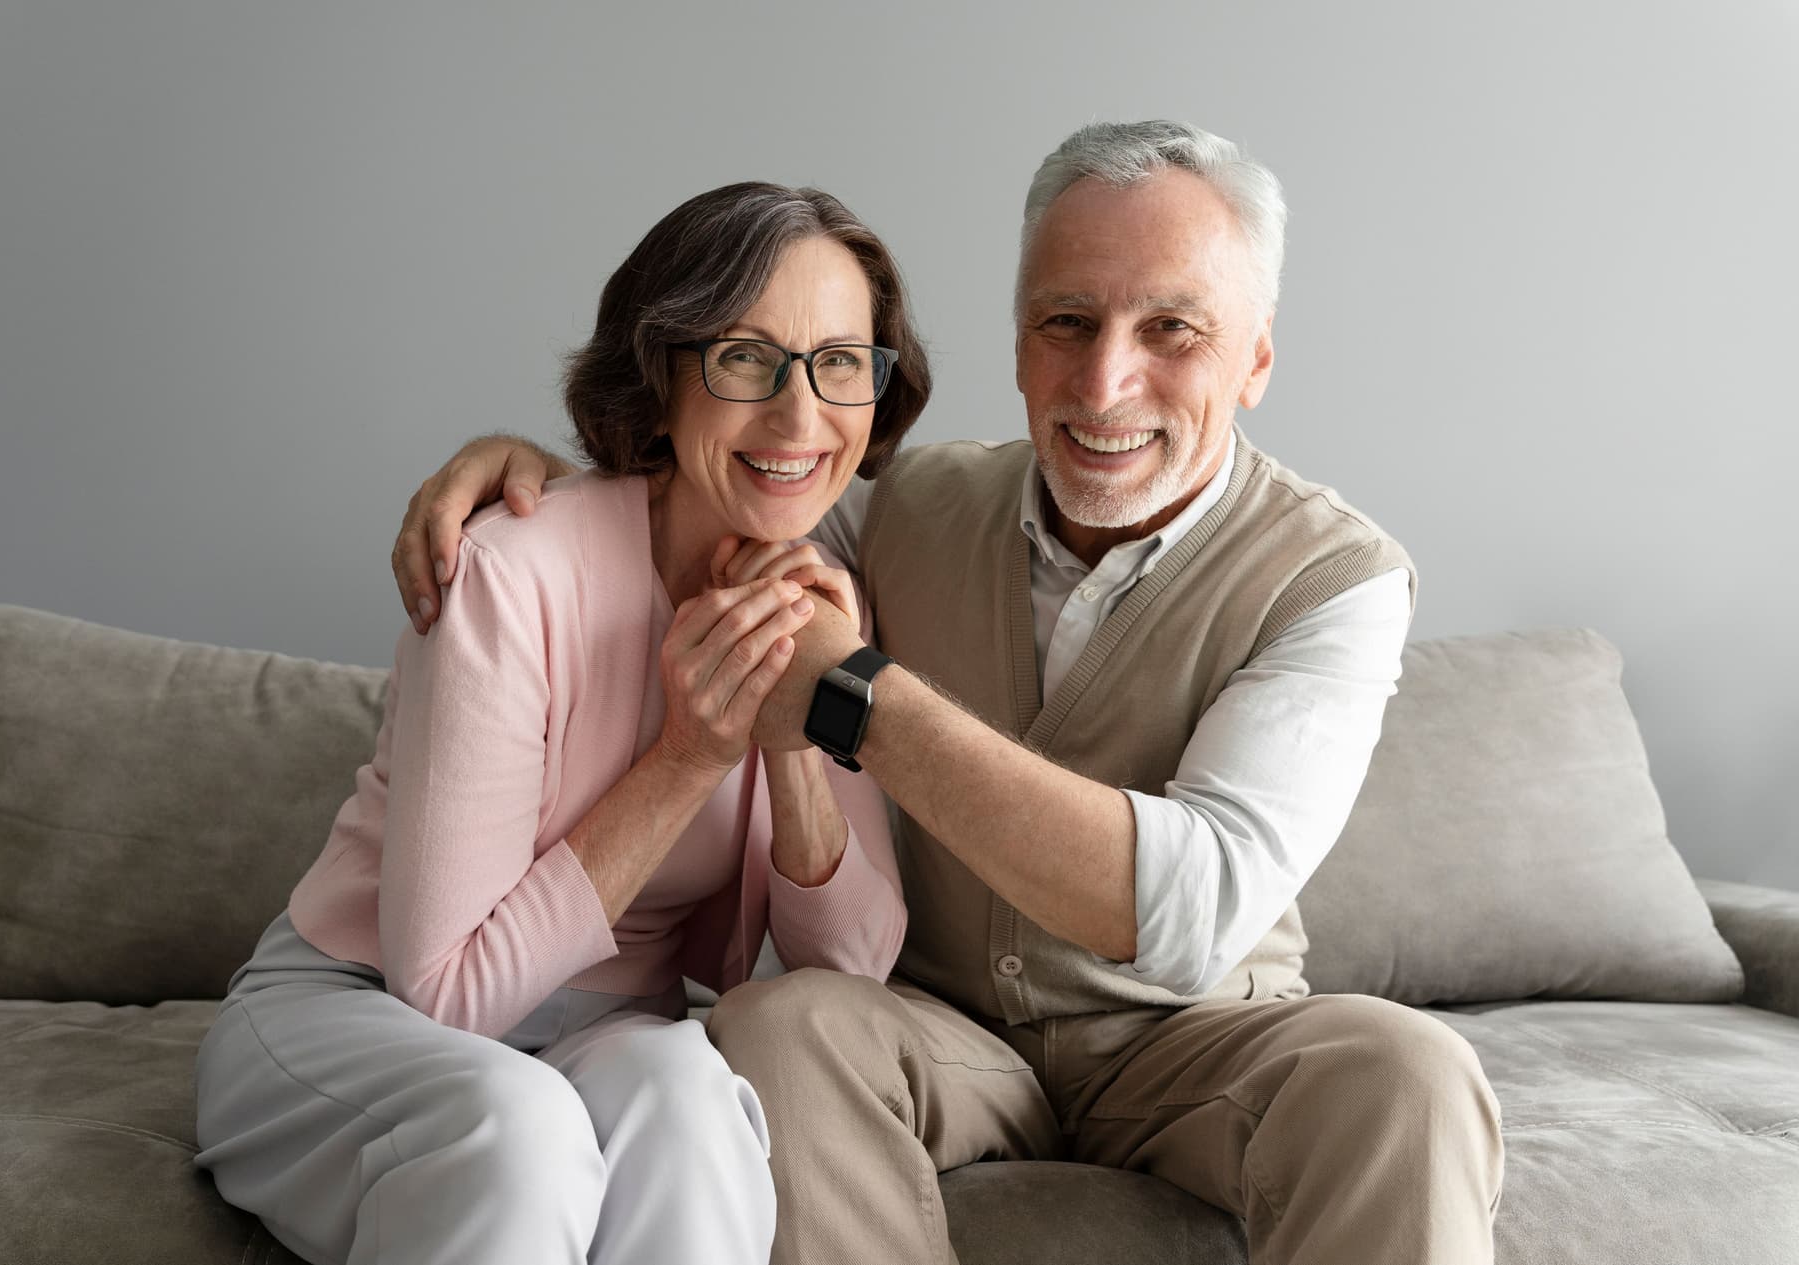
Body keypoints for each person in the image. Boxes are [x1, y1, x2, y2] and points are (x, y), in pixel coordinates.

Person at [392, 121, 1505, 1265]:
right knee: (779, 1024)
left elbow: (1192, 913)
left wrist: (855, 693)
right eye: (1066, 322)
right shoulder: (908, 501)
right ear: (1019, 342)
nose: (1106, 379)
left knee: (1409, 1072)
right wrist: (524, 476)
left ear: (1256, 360)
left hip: (1204, 1042)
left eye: (1171, 329)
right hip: (939, 1032)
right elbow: (733, 471)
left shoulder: (1339, 581)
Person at [193, 180, 928, 1265]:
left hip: (605, 1029)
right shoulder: (509, 570)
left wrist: (790, 740)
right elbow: (446, 991)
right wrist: (690, 754)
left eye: (841, 362)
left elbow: (854, 965)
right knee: (518, 1129)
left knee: (691, 1101)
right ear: (660, 373)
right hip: (358, 1012)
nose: (800, 413)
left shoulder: (823, 595)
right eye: (744, 356)